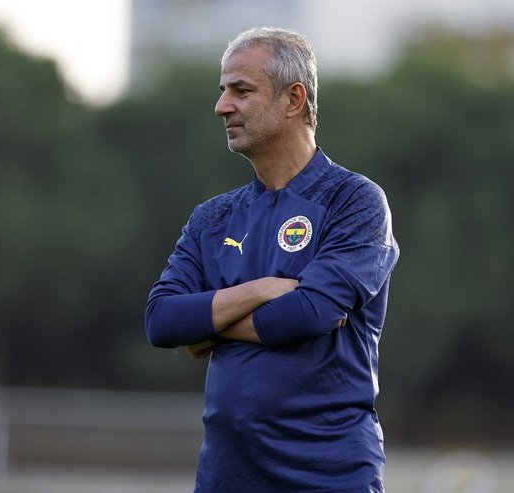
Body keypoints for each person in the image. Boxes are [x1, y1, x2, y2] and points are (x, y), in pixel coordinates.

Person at [145, 27, 399, 492]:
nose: (222, 106)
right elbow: (161, 321)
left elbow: (308, 313)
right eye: (223, 90)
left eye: (241, 91)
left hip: (327, 476)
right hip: (227, 475)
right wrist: (260, 290)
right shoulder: (212, 217)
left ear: (293, 99)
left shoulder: (354, 201)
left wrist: (208, 324)